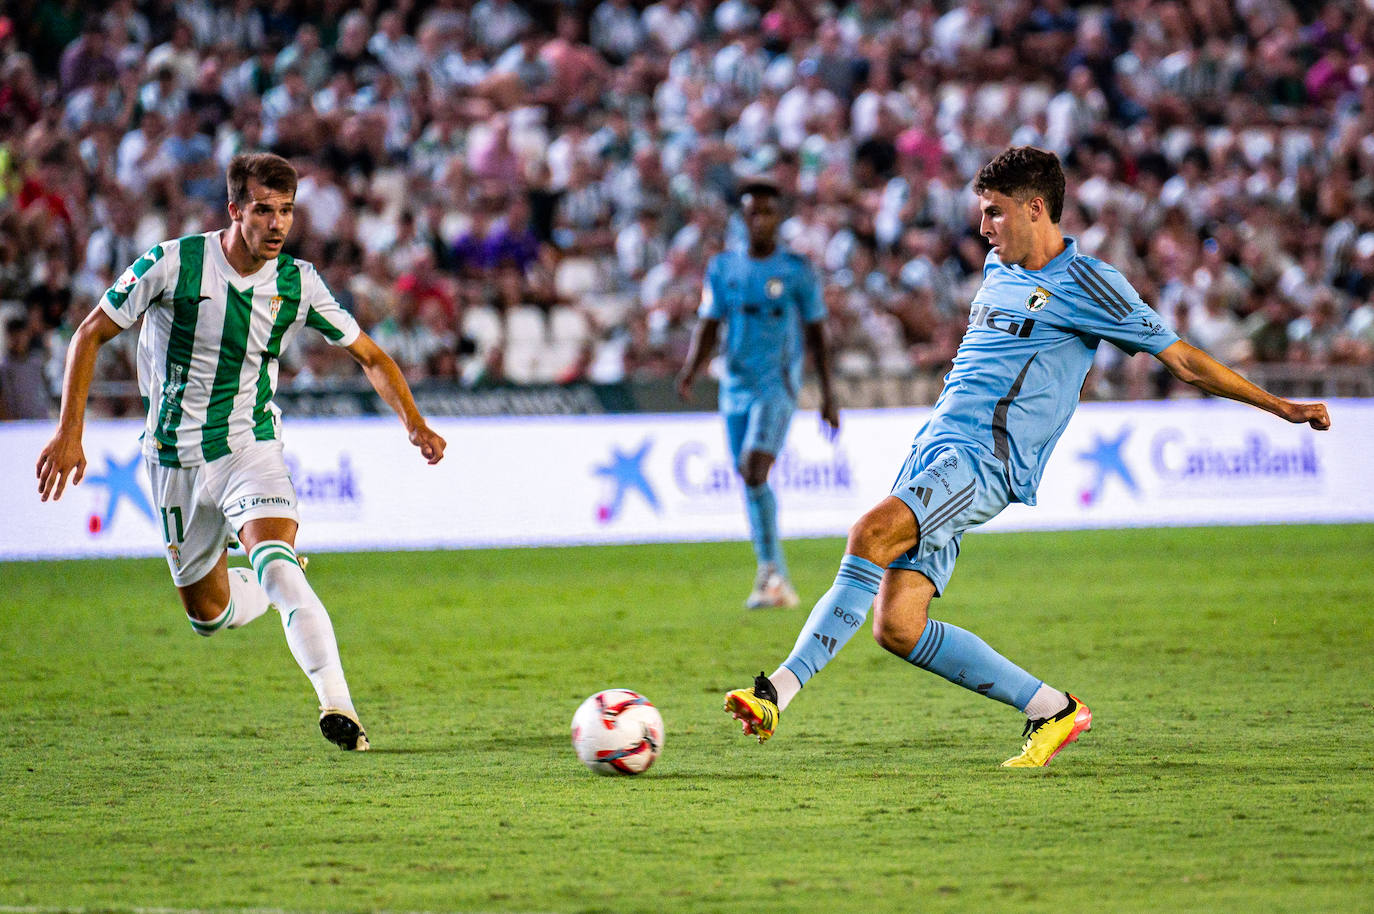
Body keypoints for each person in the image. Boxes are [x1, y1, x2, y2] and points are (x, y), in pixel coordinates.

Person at [723, 147, 1331, 766]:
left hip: (985, 461)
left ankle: (776, 691)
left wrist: (1280, 406)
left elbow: (1184, 361)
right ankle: (1053, 710)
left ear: (1036, 209)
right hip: (933, 452)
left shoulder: (1090, 283)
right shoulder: (998, 267)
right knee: (898, 627)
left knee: (868, 534)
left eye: (994, 213)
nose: (984, 227)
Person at [36, 153, 447, 752]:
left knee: (276, 562)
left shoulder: (298, 282)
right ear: (234, 210)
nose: (277, 223)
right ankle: (264, 571)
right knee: (207, 616)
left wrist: (414, 422)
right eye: (263, 210)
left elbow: (371, 356)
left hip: (248, 445)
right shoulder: (173, 264)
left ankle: (340, 706)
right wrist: (71, 432)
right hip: (172, 456)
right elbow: (90, 332)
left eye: (286, 211)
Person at [677, 179, 839, 609]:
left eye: (768, 212)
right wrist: (692, 369)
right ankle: (774, 577)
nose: (760, 220)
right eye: (753, 212)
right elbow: (710, 323)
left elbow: (817, 332)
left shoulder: (796, 271)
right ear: (743, 217)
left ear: (778, 217)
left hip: (777, 386)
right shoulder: (723, 268)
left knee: (753, 469)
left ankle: (771, 573)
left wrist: (828, 394)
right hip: (734, 386)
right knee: (749, 480)